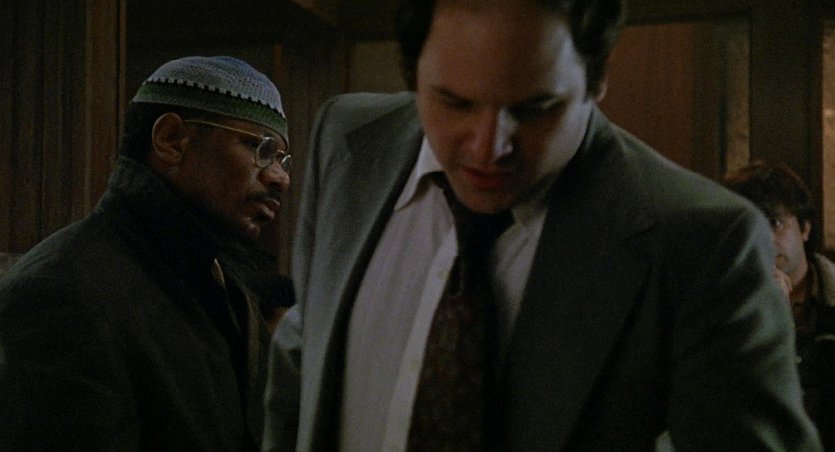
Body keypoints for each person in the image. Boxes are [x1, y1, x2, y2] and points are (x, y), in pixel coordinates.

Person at [263, 0, 822, 450]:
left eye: (533, 108)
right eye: (454, 102)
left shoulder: (701, 244)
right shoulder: (348, 141)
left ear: (597, 78)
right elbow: (305, 360)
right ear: (412, 70)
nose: (488, 147)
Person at [0, 56, 291, 451]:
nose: (280, 177)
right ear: (171, 140)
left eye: (282, 159)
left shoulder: (225, 283)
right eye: (260, 148)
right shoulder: (61, 290)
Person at [724, 161, 835, 450]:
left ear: (805, 228)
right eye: (748, 226)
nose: (763, 239)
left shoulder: (829, 298)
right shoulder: (720, 305)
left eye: (775, 223)